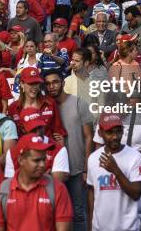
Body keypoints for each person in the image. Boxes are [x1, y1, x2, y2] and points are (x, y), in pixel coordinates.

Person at [0, 133, 73, 231]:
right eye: (36, 160)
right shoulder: (1, 192)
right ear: (20, 160)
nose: (42, 165)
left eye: (44, 159)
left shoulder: (58, 189)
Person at [44, 69, 93, 231]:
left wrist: (87, 169)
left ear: (63, 83)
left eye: (55, 82)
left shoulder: (79, 103)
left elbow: (88, 137)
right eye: (48, 83)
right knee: (55, 214)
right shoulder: (44, 107)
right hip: (53, 171)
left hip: (77, 170)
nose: (52, 86)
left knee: (78, 213)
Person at [87, 113, 141, 231]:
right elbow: (92, 192)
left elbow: (136, 194)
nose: (115, 136)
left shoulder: (135, 157)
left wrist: (115, 170)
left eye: (118, 131)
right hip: (100, 228)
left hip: (128, 228)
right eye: (110, 132)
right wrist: (90, 225)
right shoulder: (93, 158)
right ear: (100, 133)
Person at [5, 107, 69, 182]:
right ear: (23, 129)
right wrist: (46, 176)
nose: (38, 133)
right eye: (33, 129)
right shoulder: (12, 152)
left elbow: (56, 184)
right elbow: (10, 184)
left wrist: (23, 176)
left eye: (40, 127)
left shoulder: (58, 149)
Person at [8, 67, 67, 142]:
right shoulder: (13, 108)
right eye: (30, 83)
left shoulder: (50, 103)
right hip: (25, 152)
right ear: (22, 84)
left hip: (48, 151)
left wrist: (60, 144)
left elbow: (58, 131)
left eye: (36, 83)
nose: (34, 87)